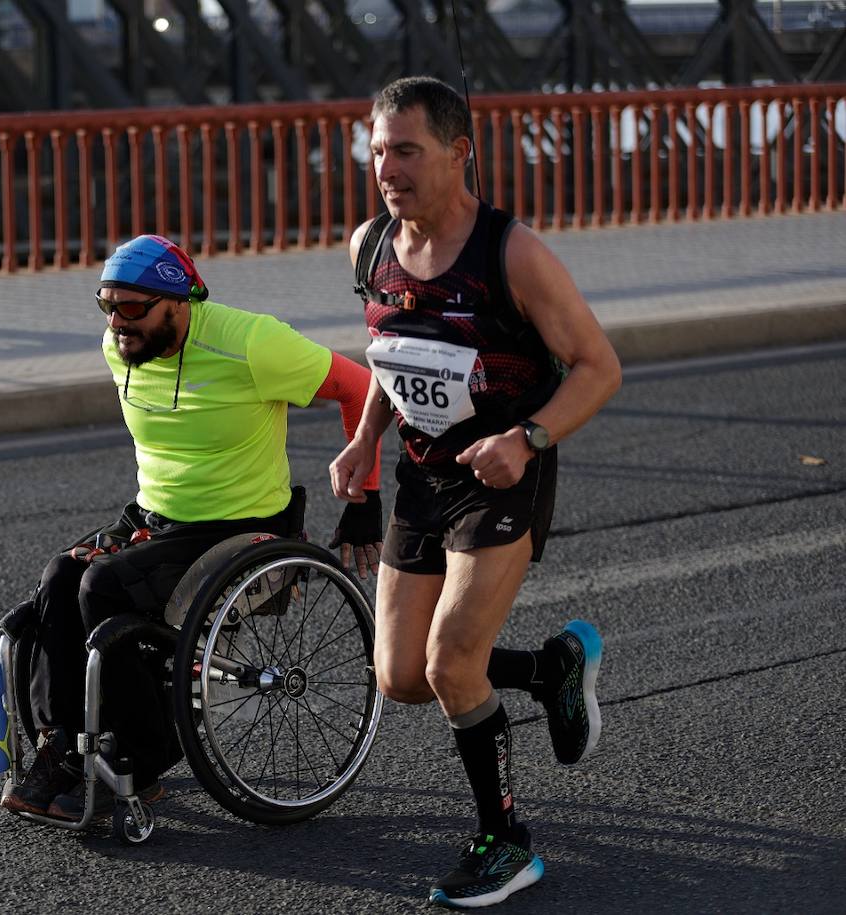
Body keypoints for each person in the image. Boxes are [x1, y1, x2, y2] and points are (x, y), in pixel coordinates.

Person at [328, 77, 622, 908]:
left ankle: (507, 841)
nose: (387, 167)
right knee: (401, 676)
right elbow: (394, 354)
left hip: (503, 473)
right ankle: (549, 667)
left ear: (461, 152)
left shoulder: (512, 254)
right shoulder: (368, 245)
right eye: (378, 150)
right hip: (424, 476)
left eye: (406, 150)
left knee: (453, 658)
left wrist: (527, 439)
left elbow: (601, 367)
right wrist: (363, 440)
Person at [1, 233, 385, 820]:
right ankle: (64, 749)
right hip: (158, 518)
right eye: (107, 305)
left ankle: (139, 757)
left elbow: (359, 387)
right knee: (59, 577)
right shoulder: (120, 345)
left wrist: (365, 499)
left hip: (240, 526)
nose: (117, 323)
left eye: (133, 308)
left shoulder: (253, 343)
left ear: (179, 304)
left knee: (102, 587)